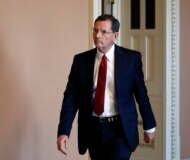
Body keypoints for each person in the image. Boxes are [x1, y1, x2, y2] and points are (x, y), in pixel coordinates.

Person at [57, 14, 156, 160]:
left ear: (115, 36)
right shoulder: (81, 61)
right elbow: (71, 98)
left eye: (104, 32)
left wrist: (149, 125)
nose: (98, 35)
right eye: (95, 30)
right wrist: (64, 131)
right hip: (93, 129)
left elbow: (141, 94)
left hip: (120, 129)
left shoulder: (130, 59)